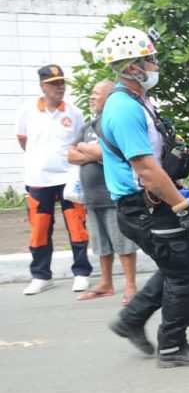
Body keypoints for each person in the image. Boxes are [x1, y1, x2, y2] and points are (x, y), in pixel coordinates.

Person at [98, 26, 189, 368]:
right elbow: (145, 167)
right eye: (150, 59)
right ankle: (172, 347)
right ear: (132, 67)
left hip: (148, 203)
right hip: (145, 206)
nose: (155, 64)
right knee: (185, 273)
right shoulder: (123, 107)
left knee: (175, 266)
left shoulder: (137, 101)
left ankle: (131, 319)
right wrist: (181, 205)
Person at [15, 64, 92, 296]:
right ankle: (41, 276)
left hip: (69, 178)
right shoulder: (26, 111)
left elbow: (80, 144)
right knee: (39, 229)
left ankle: (81, 273)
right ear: (42, 86)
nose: (60, 87)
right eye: (54, 83)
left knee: (77, 227)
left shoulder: (74, 112)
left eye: (62, 82)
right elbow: (23, 141)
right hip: (39, 179)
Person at [67, 80, 139, 305]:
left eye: (96, 93)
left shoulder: (111, 124)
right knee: (101, 245)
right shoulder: (87, 127)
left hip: (112, 195)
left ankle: (130, 287)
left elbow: (108, 151)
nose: (91, 97)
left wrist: (88, 150)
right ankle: (106, 283)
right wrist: (94, 154)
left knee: (123, 243)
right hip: (91, 198)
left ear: (109, 98)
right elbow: (70, 154)